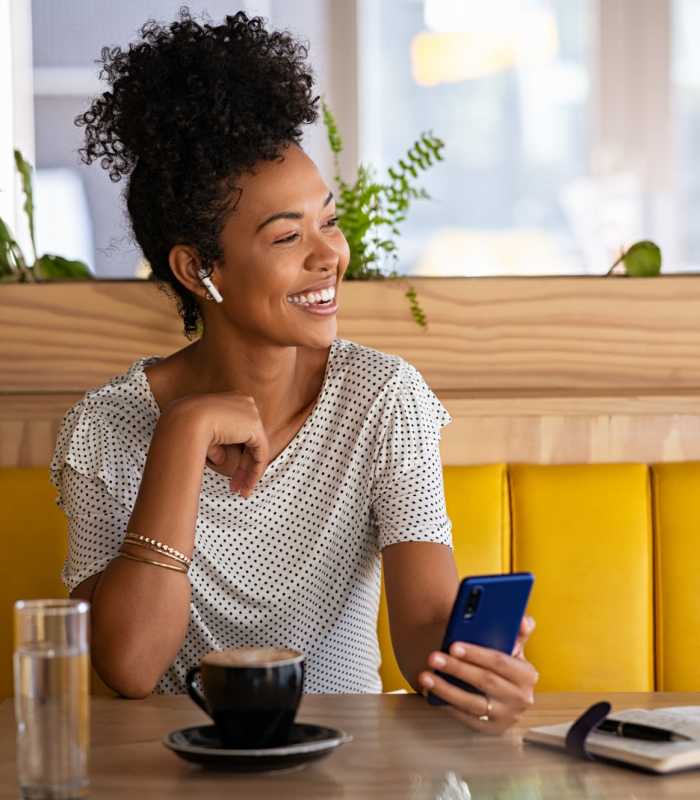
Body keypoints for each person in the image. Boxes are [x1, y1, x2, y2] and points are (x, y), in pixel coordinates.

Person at [51, 8, 538, 734]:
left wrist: (469, 668)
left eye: (329, 221)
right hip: (176, 775)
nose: (329, 255)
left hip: (345, 765)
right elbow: (128, 667)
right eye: (287, 235)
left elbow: (421, 634)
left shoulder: (382, 398)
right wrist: (182, 435)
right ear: (197, 269)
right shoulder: (104, 428)